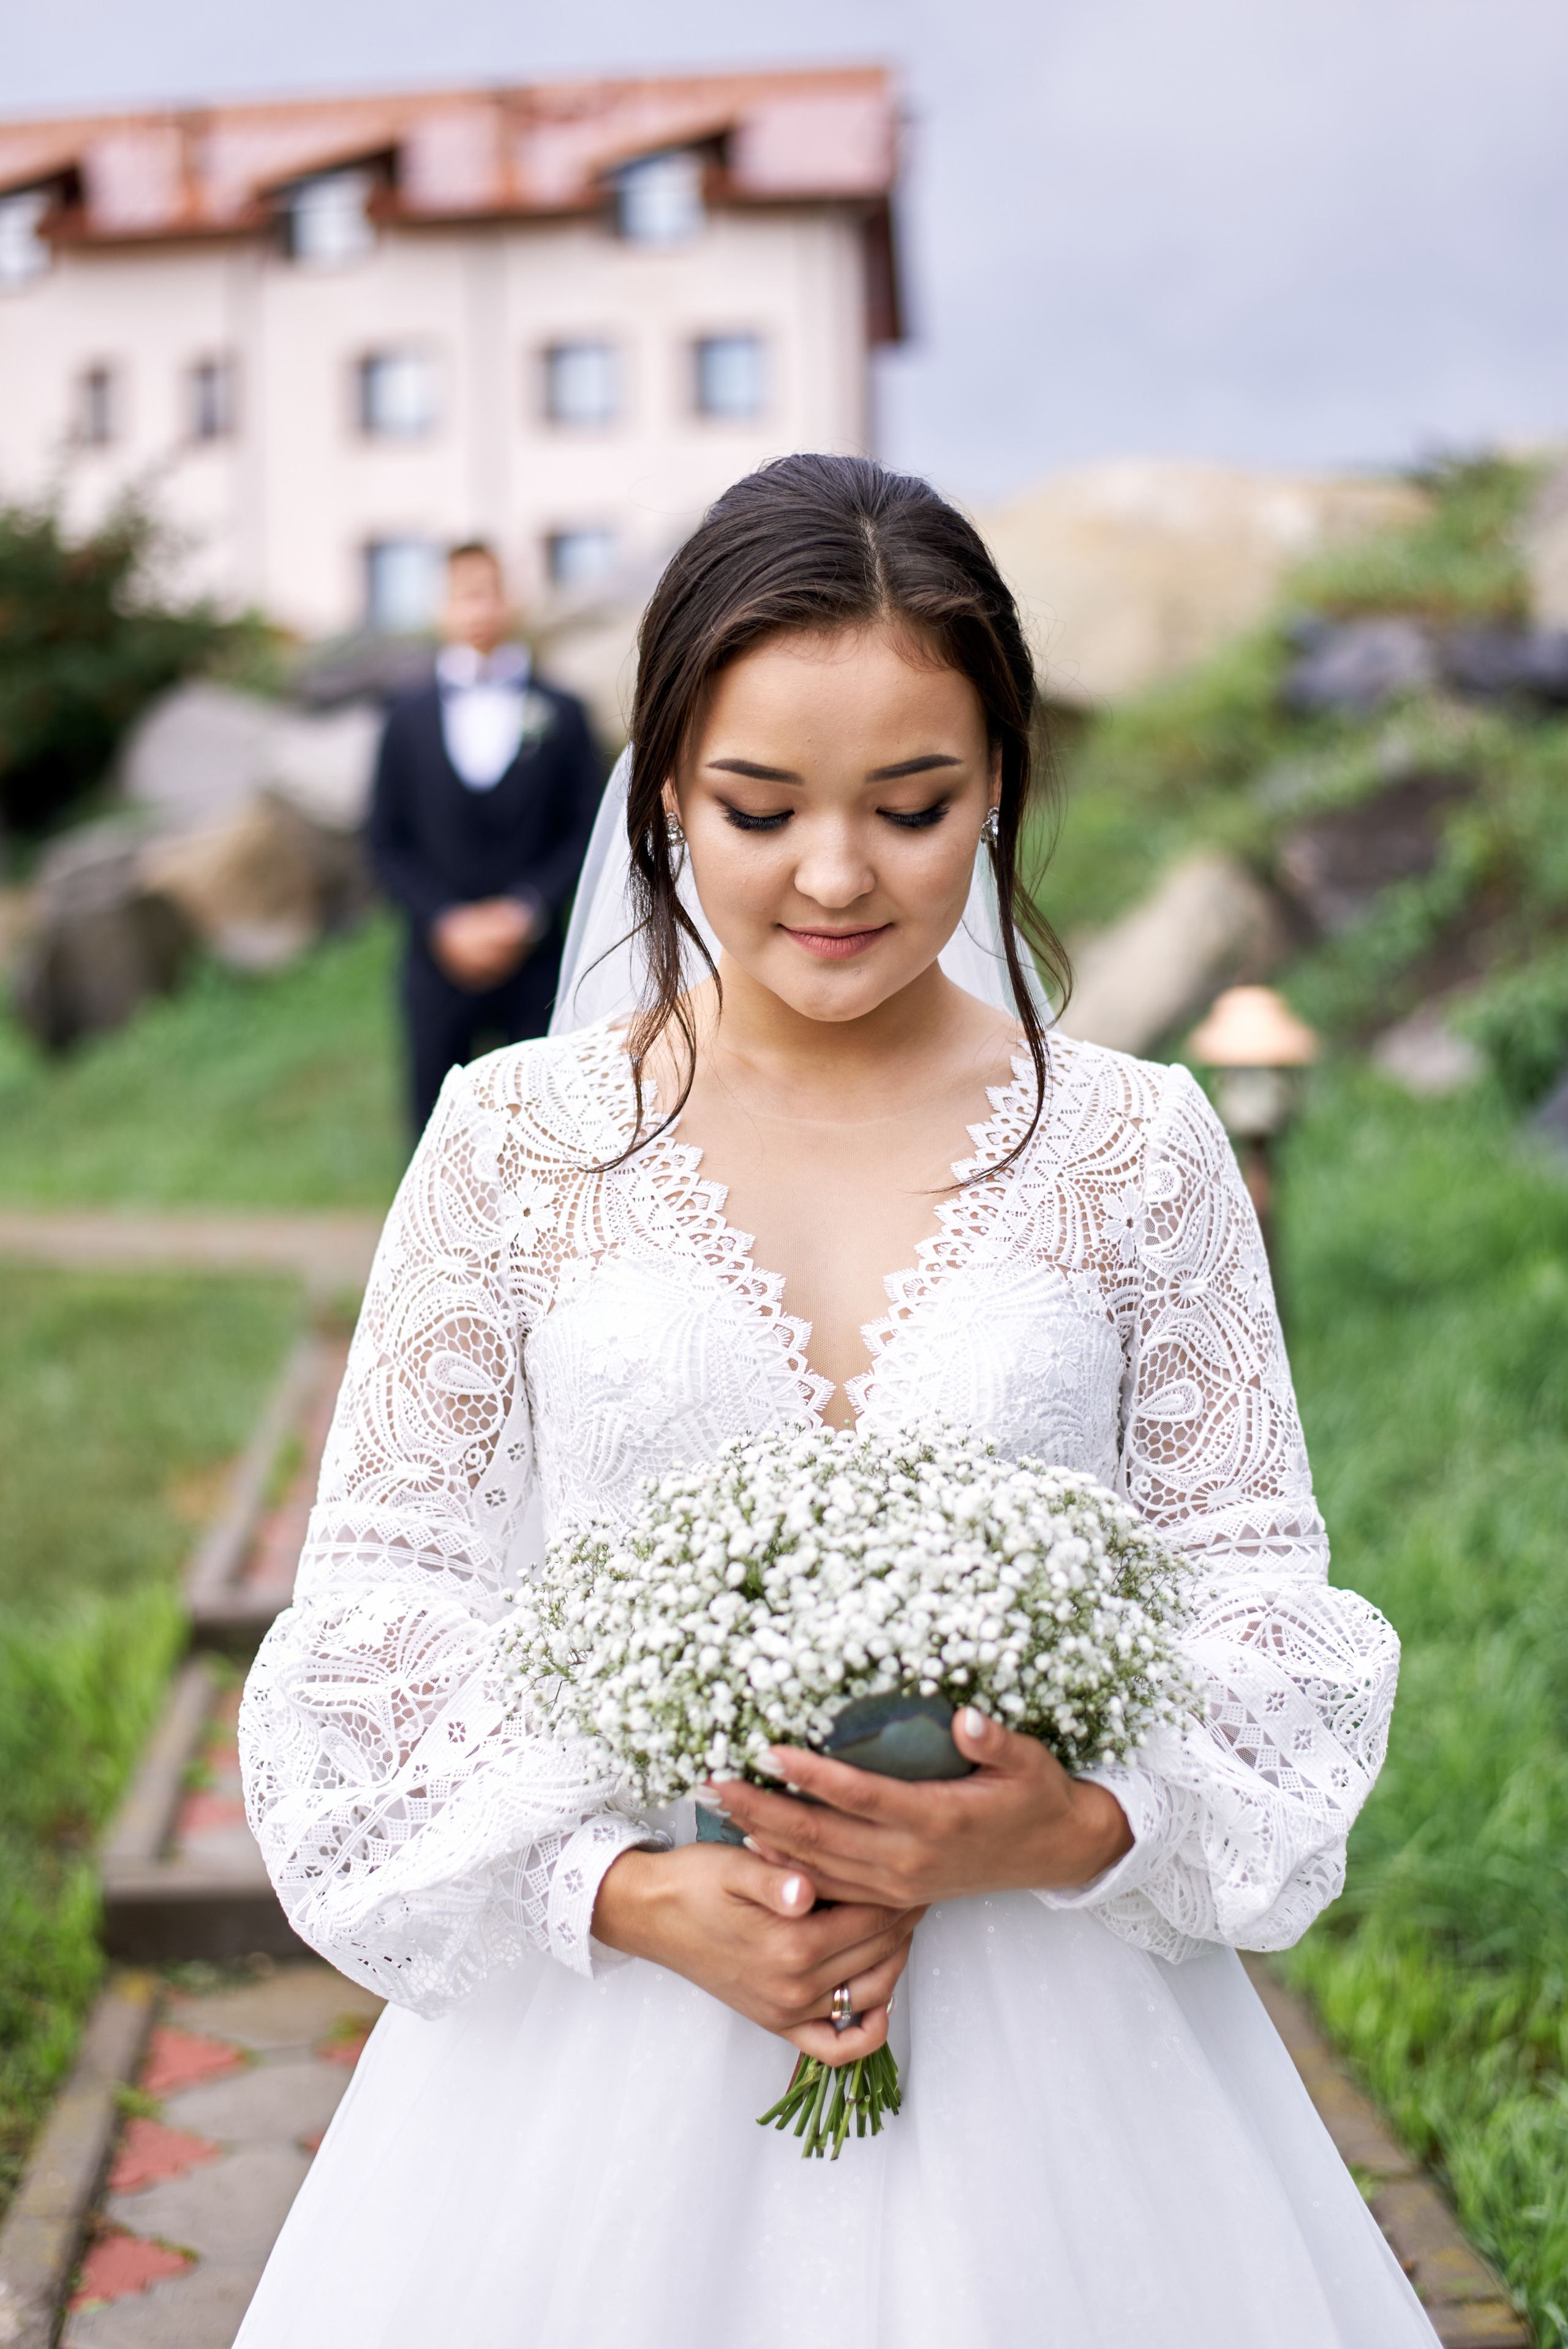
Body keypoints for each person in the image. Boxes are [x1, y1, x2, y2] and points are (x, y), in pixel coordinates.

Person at [237, 456, 1438, 2347]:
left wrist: (1076, 1828)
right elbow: (377, 1614)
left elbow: (1253, 1597)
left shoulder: (1138, 1149)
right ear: (659, 795)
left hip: (1064, 2064)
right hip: (604, 2063)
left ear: (1001, 787)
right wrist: (624, 1891)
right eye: (756, 804)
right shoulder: (513, 1145)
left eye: (910, 806)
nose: (831, 875)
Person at [365, 540, 605, 1135]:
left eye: (489, 590)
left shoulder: (563, 713)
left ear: (512, 600)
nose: (478, 607)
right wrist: (446, 921)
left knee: (544, 1134)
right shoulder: (403, 718)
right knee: (434, 1137)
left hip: (540, 965)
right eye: (463, 593)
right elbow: (383, 840)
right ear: (440, 607)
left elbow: (586, 830)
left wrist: (525, 912)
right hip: (436, 961)